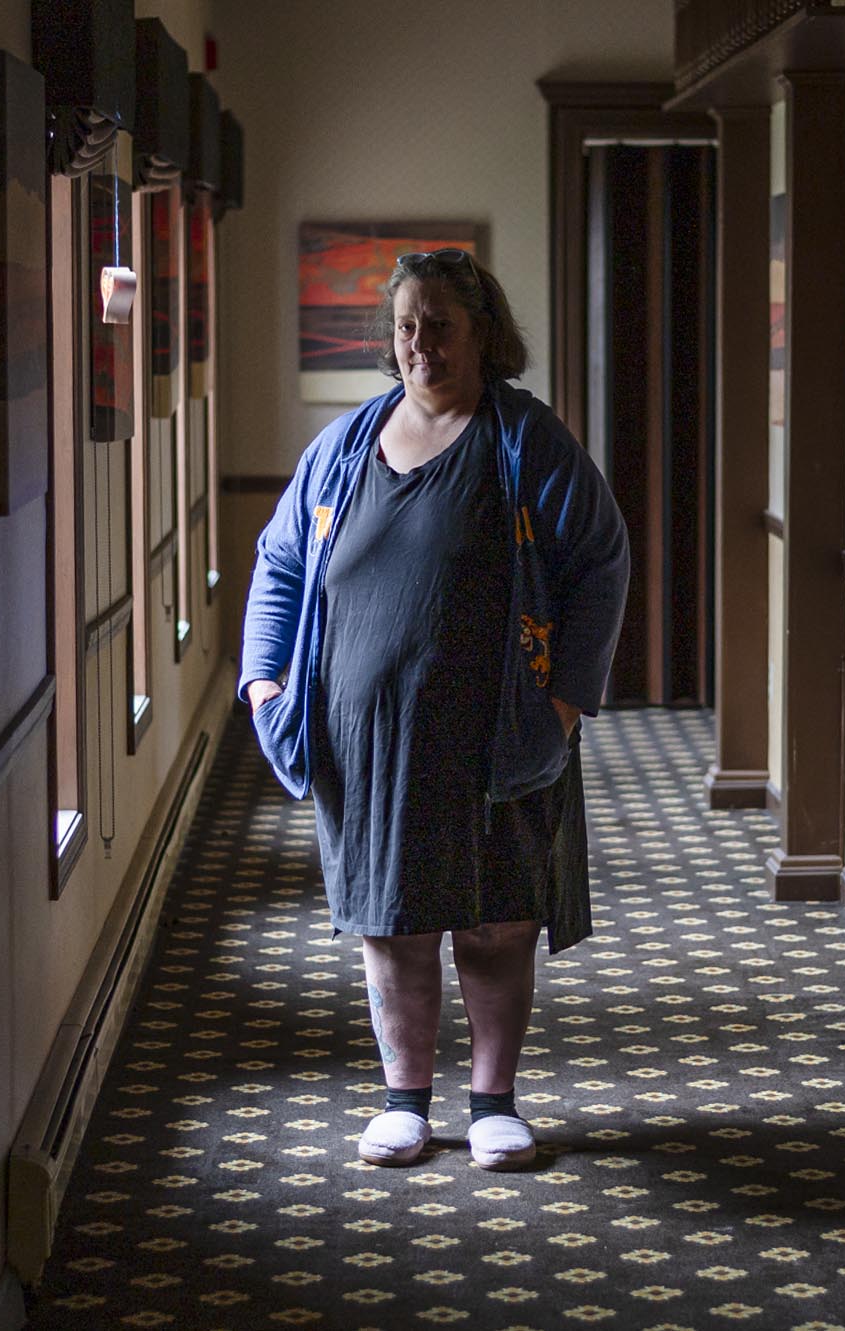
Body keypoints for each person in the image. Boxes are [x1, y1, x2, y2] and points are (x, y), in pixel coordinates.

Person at [240, 248, 628, 1171]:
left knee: (495, 921)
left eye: (441, 324)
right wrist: (265, 683)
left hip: (496, 732)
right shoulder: (341, 448)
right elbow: (280, 564)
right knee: (392, 918)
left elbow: (600, 564)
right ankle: (404, 1101)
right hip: (366, 739)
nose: (421, 344)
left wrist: (567, 702)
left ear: (483, 334)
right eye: (406, 325)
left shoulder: (524, 441)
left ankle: (493, 1102)